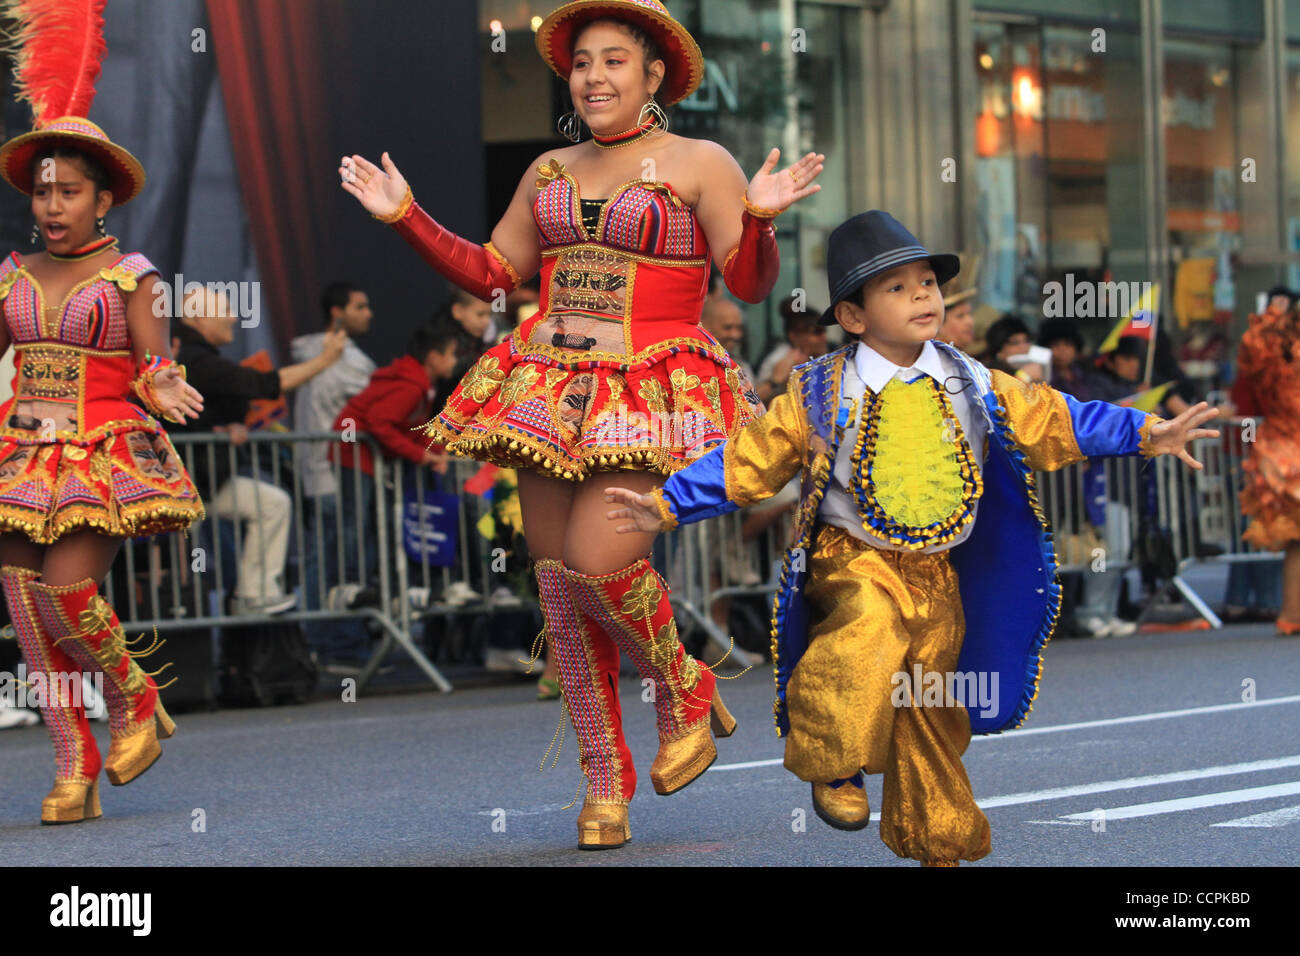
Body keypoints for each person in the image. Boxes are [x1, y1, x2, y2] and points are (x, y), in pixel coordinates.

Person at [340, 0, 824, 849]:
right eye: (582, 64)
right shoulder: (548, 168)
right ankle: (604, 779)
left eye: (613, 61)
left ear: (653, 75)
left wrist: (760, 216)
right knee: (560, 588)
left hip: (647, 385)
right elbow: (495, 271)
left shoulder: (702, 160)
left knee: (605, 559)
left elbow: (746, 286)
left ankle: (683, 686)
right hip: (550, 380)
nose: (593, 77)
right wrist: (405, 216)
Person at [605, 210, 1218, 864]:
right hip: (854, 560)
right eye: (897, 288)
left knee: (929, 709)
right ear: (853, 315)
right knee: (868, 629)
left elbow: (1054, 418)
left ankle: (939, 844)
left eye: (927, 281)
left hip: (938, 572)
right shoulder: (818, 390)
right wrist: (668, 502)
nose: (924, 295)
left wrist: (1147, 433)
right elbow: (748, 459)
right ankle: (833, 761)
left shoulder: (972, 378)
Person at [0, 17, 206, 824]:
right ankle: (71, 762)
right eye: (42, 190)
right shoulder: (12, 273)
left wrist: (162, 386)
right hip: (20, 454)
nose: (52, 204)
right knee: (23, 604)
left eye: (69, 191)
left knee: (67, 591)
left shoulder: (133, 278)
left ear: (103, 196)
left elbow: (157, 361)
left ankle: (132, 692)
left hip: (99, 452)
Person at [172, 288, 347, 614]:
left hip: (201, 481)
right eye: (225, 310)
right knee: (268, 507)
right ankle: (252, 595)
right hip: (185, 485)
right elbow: (263, 385)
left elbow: (214, 404)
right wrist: (325, 360)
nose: (234, 317)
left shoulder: (193, 357)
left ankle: (254, 594)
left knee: (272, 504)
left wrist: (227, 426)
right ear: (198, 318)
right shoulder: (195, 360)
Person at [323, 322, 456, 666]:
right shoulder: (413, 386)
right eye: (451, 355)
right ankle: (350, 583)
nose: (455, 362)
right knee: (357, 521)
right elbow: (382, 423)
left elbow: (404, 428)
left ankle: (361, 585)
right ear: (433, 356)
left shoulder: (419, 384)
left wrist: (433, 450)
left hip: (364, 455)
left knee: (370, 523)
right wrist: (422, 455)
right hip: (354, 454)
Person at [292, 282, 377, 610]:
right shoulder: (348, 361)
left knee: (326, 557)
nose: (369, 314)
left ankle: (329, 639)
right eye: (360, 307)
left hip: (321, 471)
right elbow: (372, 413)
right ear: (336, 313)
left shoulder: (309, 353)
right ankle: (334, 640)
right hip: (337, 472)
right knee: (338, 561)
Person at [1237, 293, 1300, 636]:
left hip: (1279, 448)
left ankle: (1292, 614)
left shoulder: (1271, 352)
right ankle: (1291, 614)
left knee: (1296, 538)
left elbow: (1251, 348)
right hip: (1289, 448)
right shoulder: (1281, 355)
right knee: (1295, 536)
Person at [755, 292, 829, 402]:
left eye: (824, 331)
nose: (824, 337)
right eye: (817, 332)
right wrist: (776, 380)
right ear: (793, 335)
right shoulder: (780, 359)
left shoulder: (819, 358)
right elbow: (753, 402)